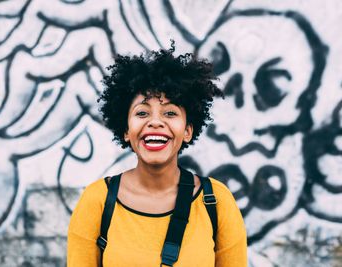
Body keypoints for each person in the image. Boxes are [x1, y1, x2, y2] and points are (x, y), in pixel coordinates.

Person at [67, 42, 247, 266]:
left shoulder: (217, 202)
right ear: (126, 130)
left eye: (170, 113)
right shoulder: (98, 201)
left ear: (188, 131)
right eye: (142, 112)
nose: (155, 122)